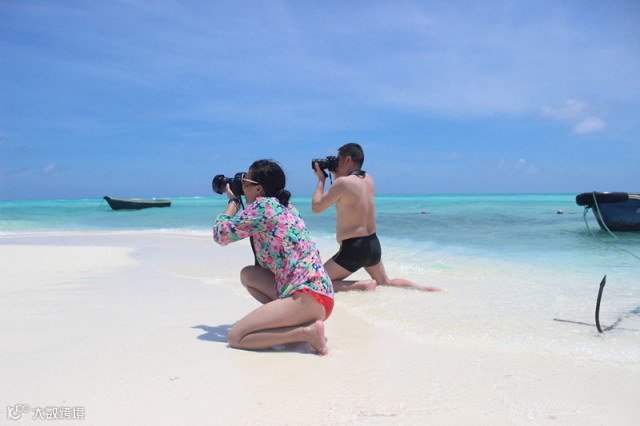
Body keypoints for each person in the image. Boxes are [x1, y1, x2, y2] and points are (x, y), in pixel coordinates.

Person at [213, 159, 334, 355]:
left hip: (307, 297)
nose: (242, 186)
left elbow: (221, 234)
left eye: (245, 182)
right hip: (322, 294)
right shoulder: (287, 206)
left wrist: (233, 202)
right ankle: (293, 322)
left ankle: (306, 332)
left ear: (258, 189)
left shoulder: (262, 206)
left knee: (236, 337)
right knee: (249, 274)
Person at [312, 143, 441, 292]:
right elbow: (348, 193)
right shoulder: (368, 179)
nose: (336, 163)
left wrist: (321, 179)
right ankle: (422, 288)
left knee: (317, 282)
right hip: (373, 244)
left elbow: (316, 207)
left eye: (338, 160)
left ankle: (363, 285)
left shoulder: (342, 183)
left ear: (347, 160)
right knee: (385, 281)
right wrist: (336, 175)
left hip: (354, 248)